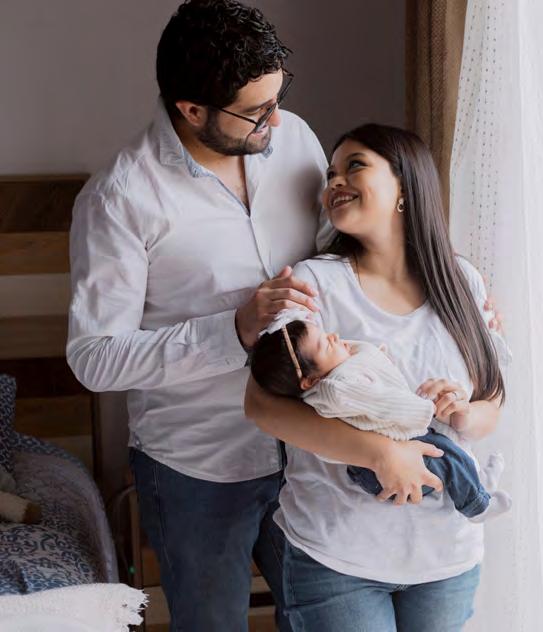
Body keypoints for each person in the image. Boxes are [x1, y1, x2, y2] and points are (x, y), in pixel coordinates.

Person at [66, 1, 331, 629]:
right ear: (191, 110)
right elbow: (94, 358)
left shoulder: (294, 138)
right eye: (256, 110)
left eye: (279, 96)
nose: (276, 118)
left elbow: (339, 257)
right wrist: (233, 330)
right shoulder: (120, 198)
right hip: (197, 469)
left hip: (311, 447)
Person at [245, 123, 511, 631]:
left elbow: (492, 401)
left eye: (355, 166)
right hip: (337, 555)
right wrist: (381, 454)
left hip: (446, 558)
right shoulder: (311, 283)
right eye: (331, 173)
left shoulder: (462, 281)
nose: (335, 182)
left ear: (405, 186)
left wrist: (462, 413)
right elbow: (262, 405)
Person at [250, 308, 512, 523]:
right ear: (309, 381)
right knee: (447, 455)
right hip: (377, 473)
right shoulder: (338, 389)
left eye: (327, 334)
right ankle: (476, 506)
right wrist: (425, 408)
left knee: (452, 452)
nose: (334, 337)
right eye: (325, 345)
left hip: (389, 454)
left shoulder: (332, 375)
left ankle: (477, 483)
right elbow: (386, 404)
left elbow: (362, 357)